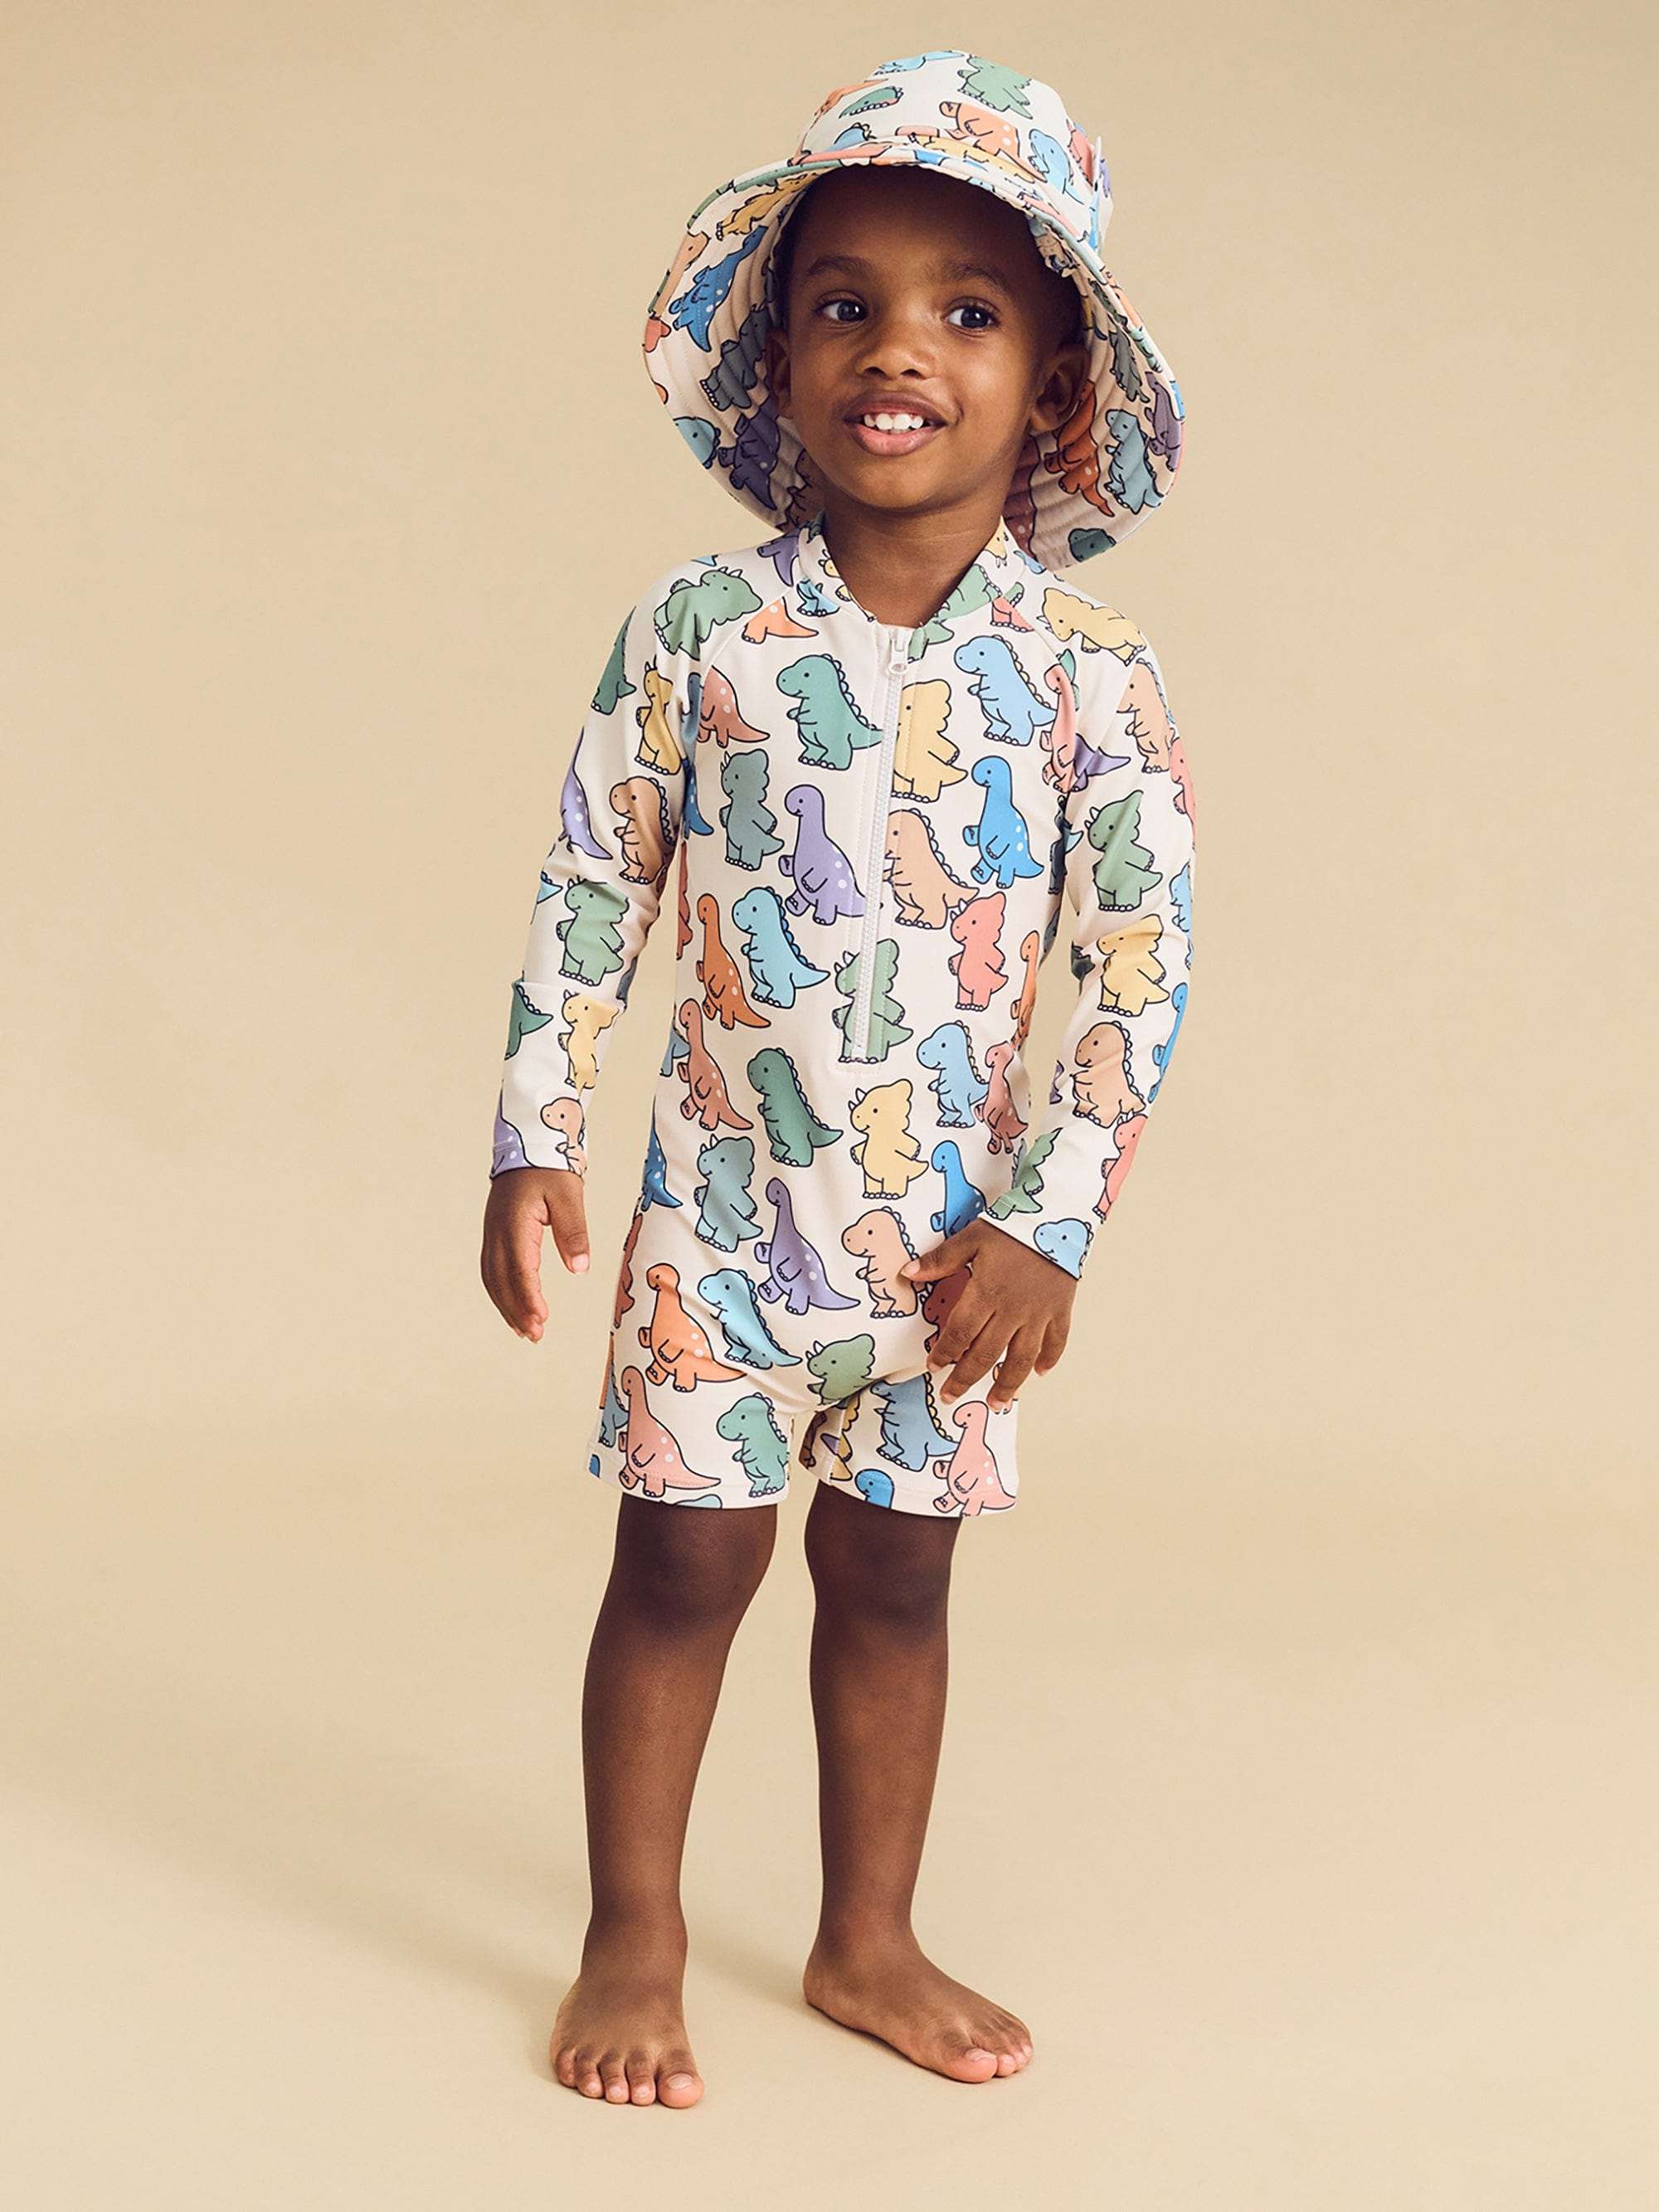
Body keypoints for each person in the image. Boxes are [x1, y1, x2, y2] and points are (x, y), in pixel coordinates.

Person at [480, 49, 1194, 2106]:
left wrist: (1052, 1221)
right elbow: (591, 886)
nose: (900, 349)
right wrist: (534, 1135)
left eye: (968, 311)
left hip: (952, 1263)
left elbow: (1137, 960)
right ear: (775, 356)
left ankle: (864, 1931)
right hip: (718, 1229)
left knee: (895, 1577)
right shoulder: (694, 632)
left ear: (1050, 386)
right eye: (843, 303)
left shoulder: (1090, 675)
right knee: (681, 1566)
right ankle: (631, 1933)